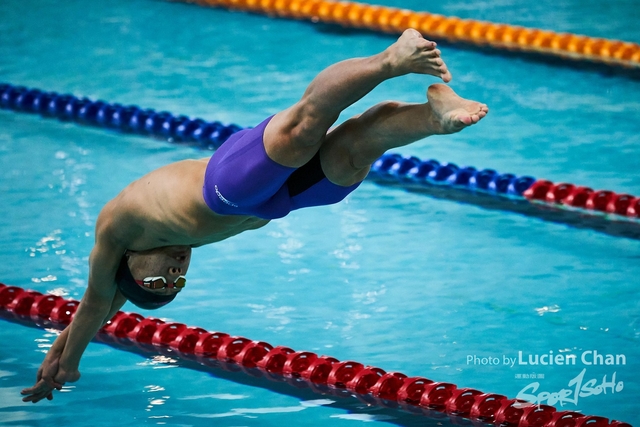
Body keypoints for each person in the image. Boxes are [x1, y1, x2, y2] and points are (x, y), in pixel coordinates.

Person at [21, 28, 488, 403]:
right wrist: (58, 359)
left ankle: (392, 60)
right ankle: (434, 116)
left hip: (225, 188)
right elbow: (99, 311)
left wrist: (66, 364)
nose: (175, 273)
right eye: (177, 284)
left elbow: (94, 307)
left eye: (159, 282)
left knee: (306, 126)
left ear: (129, 269)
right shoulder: (157, 252)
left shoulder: (117, 232)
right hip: (277, 203)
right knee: (357, 146)